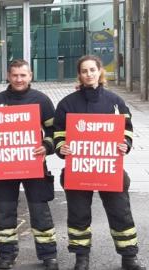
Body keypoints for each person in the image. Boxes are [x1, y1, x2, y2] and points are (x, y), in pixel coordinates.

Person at [54, 55, 145, 270]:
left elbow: (127, 130)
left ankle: (129, 258)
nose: (89, 74)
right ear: (80, 75)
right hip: (78, 170)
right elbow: (59, 134)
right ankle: (81, 258)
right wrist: (61, 148)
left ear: (99, 71)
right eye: (84, 71)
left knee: (120, 213)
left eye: (92, 70)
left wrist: (125, 144)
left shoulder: (115, 102)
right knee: (78, 216)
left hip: (109, 170)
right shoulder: (67, 104)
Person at [0, 59, 58, 270]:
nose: (19, 79)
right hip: (5, 166)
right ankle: (6, 255)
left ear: (30, 76)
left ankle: (48, 255)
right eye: (15, 75)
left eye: (23, 75)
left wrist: (47, 146)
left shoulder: (42, 100)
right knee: (5, 212)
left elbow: (54, 131)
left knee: (40, 211)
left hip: (34, 164)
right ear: (8, 76)